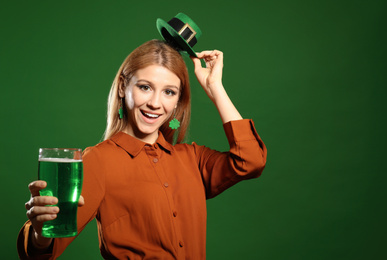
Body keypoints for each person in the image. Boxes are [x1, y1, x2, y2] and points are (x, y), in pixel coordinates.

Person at [17, 14, 267, 260]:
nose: (155, 103)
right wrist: (41, 233)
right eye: (145, 87)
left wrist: (216, 88)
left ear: (178, 101)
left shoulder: (192, 158)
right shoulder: (99, 161)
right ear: (124, 86)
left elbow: (250, 160)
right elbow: (41, 252)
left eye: (169, 92)